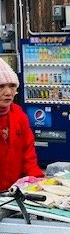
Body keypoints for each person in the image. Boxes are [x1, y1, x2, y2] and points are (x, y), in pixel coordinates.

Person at [0, 58, 44, 191]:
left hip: (12, 191)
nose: (8, 92)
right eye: (1, 86)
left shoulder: (19, 115)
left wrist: (37, 180)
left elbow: (28, 153)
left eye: (12, 86)